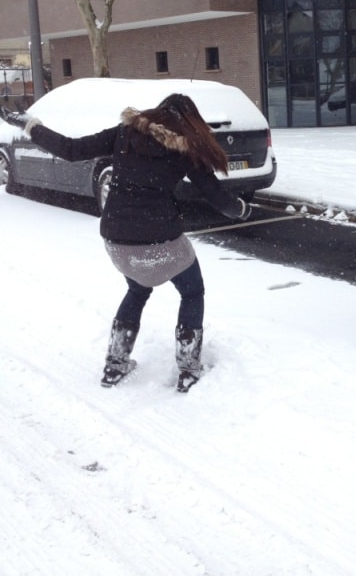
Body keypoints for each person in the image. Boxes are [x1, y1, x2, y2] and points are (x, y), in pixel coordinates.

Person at [1, 93, 251, 392]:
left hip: (117, 239)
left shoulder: (124, 133)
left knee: (137, 288)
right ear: (189, 121)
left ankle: (115, 365)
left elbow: (71, 149)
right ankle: (188, 368)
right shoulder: (186, 150)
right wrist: (242, 210)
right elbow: (220, 200)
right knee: (192, 291)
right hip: (162, 241)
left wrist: (31, 126)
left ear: (157, 113)